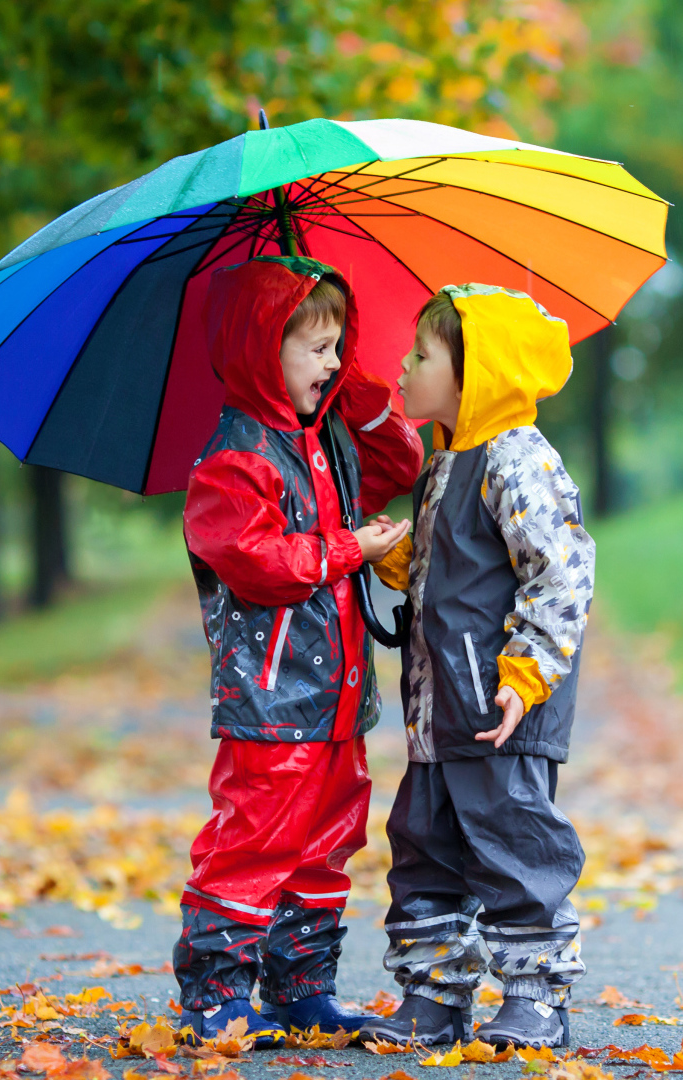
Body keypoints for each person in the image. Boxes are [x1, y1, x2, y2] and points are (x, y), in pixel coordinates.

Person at [173, 255, 421, 1046]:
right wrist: (348, 549)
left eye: (338, 345)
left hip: (337, 695)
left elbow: (400, 463)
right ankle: (216, 993)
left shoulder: (326, 438)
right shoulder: (235, 458)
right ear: (261, 350)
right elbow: (254, 561)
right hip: (272, 697)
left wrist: (353, 389)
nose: (332, 360)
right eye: (317, 348)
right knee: (256, 839)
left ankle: (301, 985)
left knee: (328, 840)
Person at [358, 284, 595, 1051]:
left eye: (421, 355)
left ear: (476, 374)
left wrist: (524, 676)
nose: (404, 366)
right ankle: (433, 997)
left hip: (500, 709)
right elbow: (457, 571)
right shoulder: (446, 463)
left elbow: (560, 574)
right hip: (439, 714)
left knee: (516, 848)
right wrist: (398, 557)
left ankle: (536, 997)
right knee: (424, 849)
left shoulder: (517, 459)